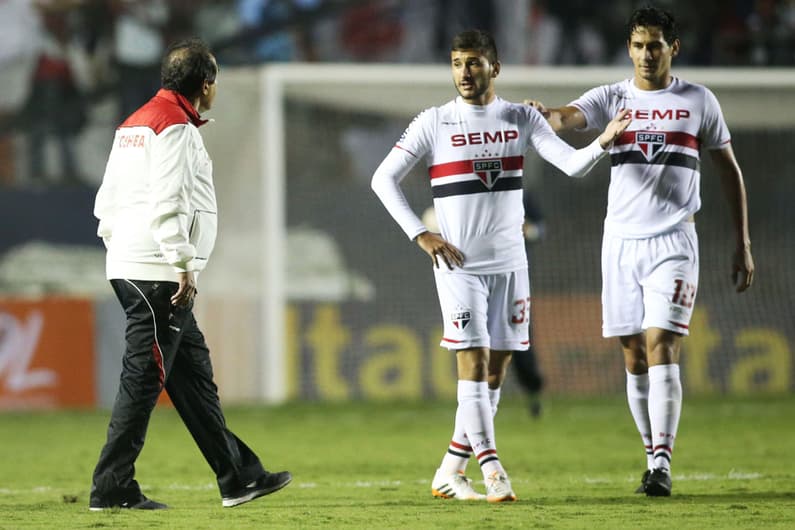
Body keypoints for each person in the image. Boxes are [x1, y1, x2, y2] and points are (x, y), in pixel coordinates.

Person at [371, 29, 630, 502]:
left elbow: (571, 165)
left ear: (495, 67)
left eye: (473, 62)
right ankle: (492, 470)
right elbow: (382, 178)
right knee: (471, 364)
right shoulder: (434, 122)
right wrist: (421, 234)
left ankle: (451, 469)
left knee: (495, 372)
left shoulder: (520, 118)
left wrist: (604, 141)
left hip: (511, 264)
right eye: (456, 63)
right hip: (459, 266)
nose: (464, 73)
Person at [525, 6, 755, 497]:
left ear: (674, 48)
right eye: (637, 45)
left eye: (655, 45)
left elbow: (729, 171)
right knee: (633, 354)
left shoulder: (698, 100)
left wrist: (743, 243)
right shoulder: (613, 96)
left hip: (674, 242)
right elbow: (569, 116)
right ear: (628, 48)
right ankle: (651, 457)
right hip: (620, 243)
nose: (646, 54)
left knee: (661, 344)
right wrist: (546, 115)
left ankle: (662, 464)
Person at [90, 38, 291, 511]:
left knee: (192, 378)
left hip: (132, 264)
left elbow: (105, 201)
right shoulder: (177, 128)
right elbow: (170, 203)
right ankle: (112, 486)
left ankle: (239, 476)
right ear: (206, 84)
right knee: (143, 379)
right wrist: (181, 264)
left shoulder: (133, 124)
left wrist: (120, 250)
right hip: (159, 272)